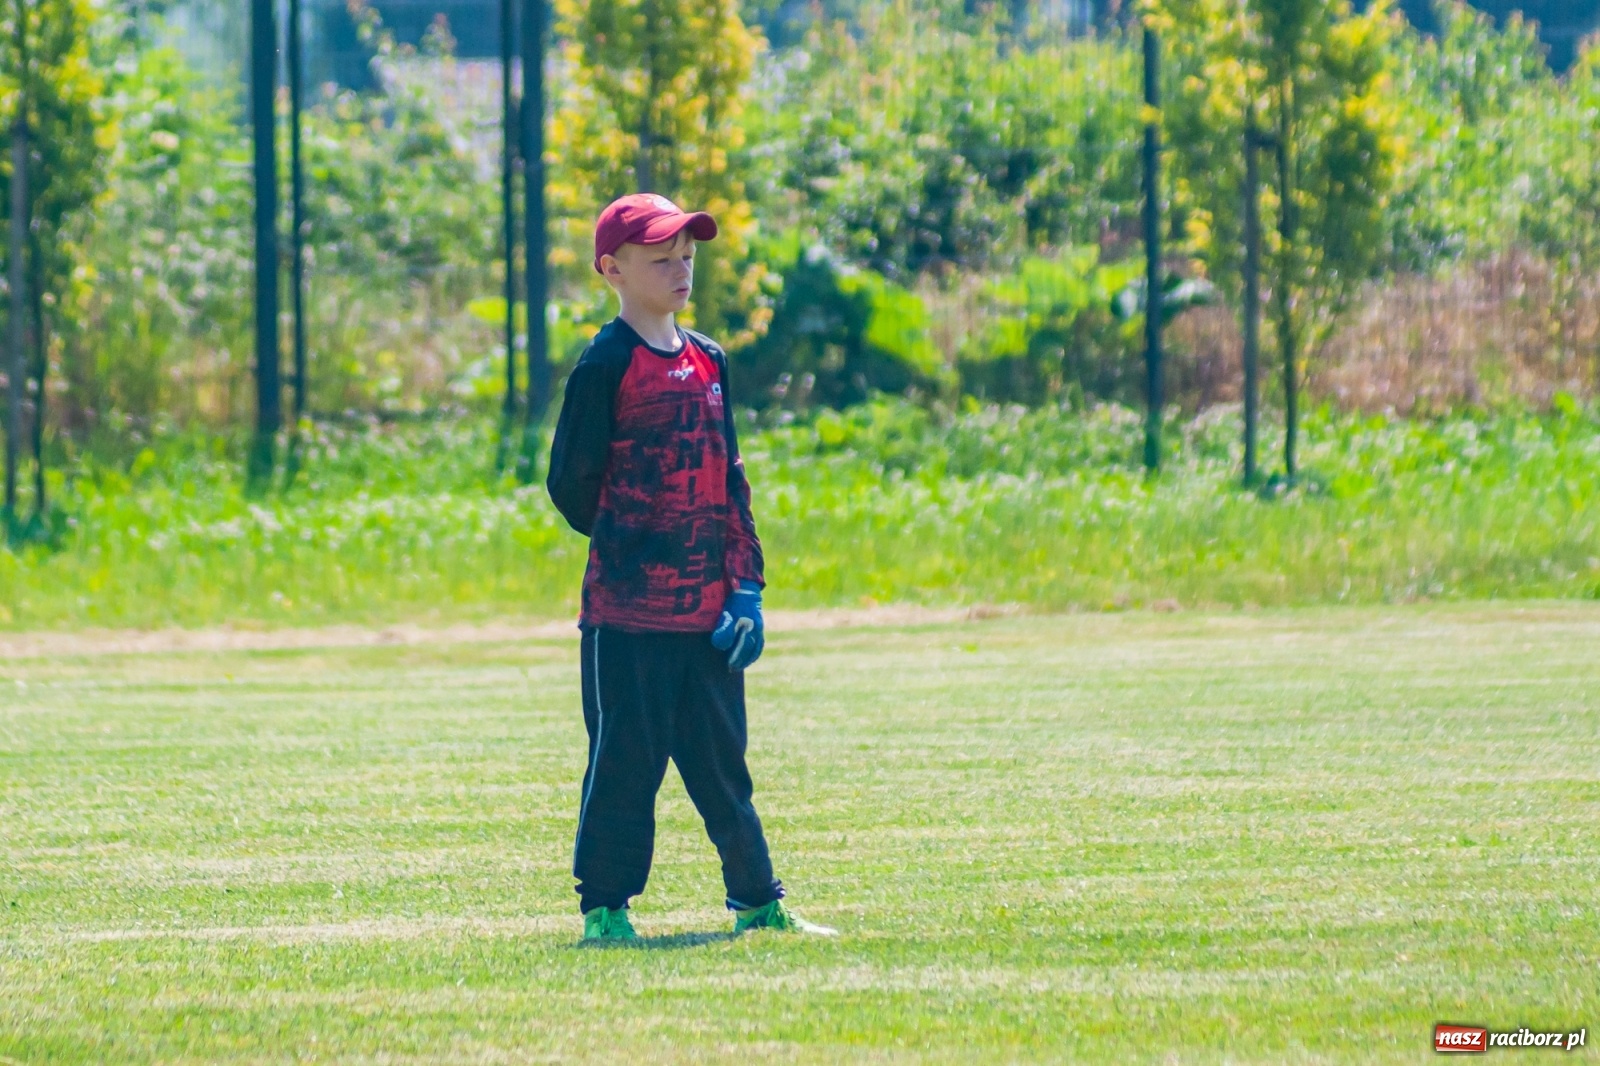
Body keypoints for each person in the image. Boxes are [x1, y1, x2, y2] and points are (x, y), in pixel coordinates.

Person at [546, 193, 836, 943]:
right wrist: (637, 539)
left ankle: (758, 903)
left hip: (707, 615)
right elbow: (570, 483)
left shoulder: (710, 359)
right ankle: (605, 911)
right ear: (612, 269)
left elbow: (729, 478)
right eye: (660, 259)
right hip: (628, 619)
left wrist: (746, 588)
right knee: (625, 768)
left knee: (723, 769)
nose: (680, 270)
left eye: (687, 256)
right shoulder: (606, 363)